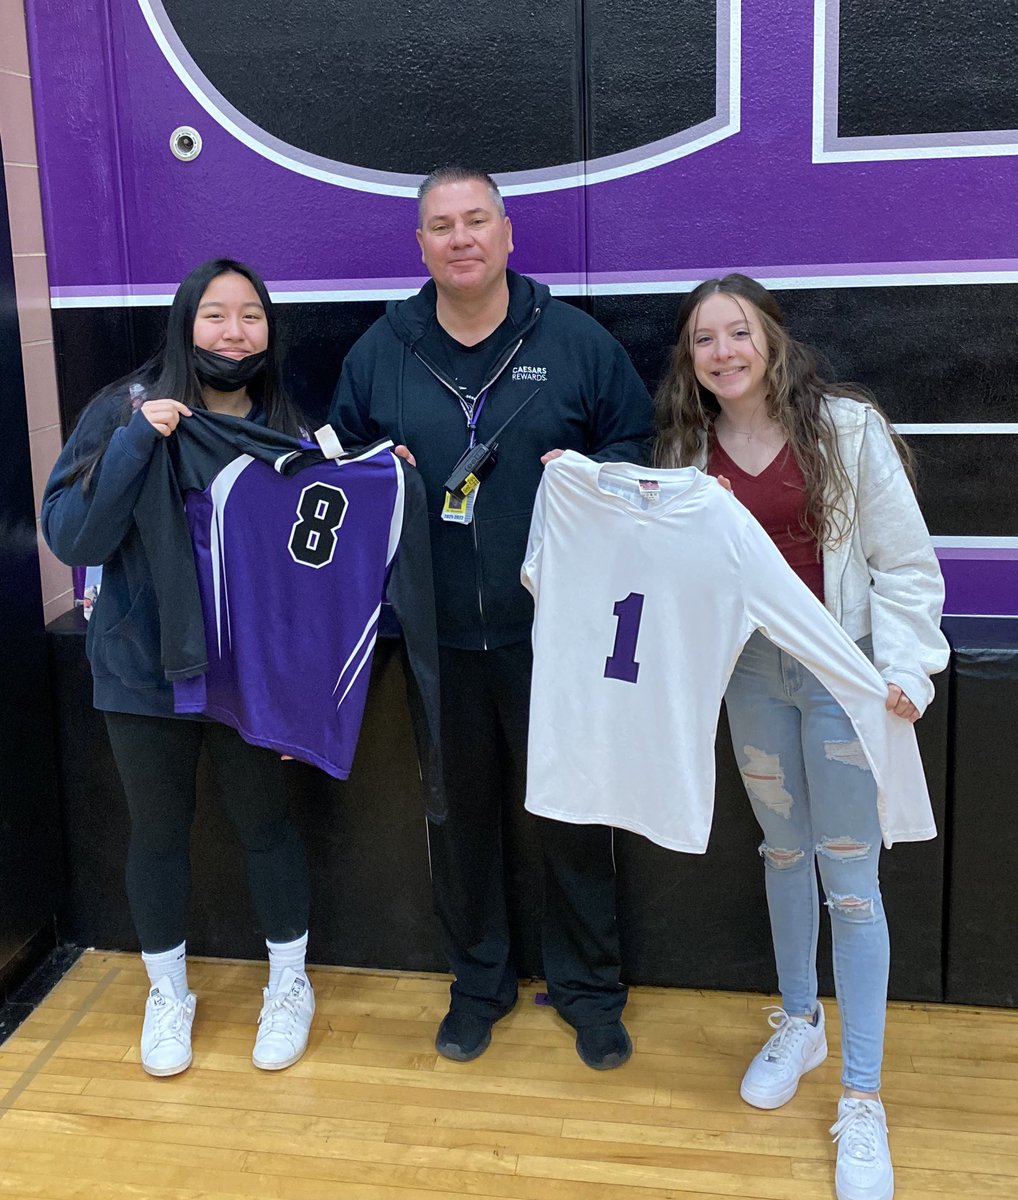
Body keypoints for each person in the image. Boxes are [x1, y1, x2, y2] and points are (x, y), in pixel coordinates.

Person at [329, 166, 653, 1068]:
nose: (461, 238)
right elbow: (335, 464)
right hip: (434, 639)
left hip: (555, 631)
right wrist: (367, 465)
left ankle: (589, 990)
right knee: (458, 820)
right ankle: (479, 986)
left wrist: (588, 472)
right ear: (421, 245)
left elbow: (636, 445)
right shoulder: (378, 353)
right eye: (442, 225)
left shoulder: (577, 342)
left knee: (574, 816)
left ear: (508, 235)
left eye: (477, 221)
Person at [654, 274, 948, 1200]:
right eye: (704, 340)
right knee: (783, 855)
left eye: (738, 332)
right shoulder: (686, 451)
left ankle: (862, 1098)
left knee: (850, 883)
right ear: (690, 360)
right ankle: (798, 1022)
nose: (723, 352)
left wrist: (906, 668)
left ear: (772, 340)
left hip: (843, 675)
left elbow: (904, 564)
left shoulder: (845, 430)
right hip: (752, 677)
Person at [42, 259, 317, 1077]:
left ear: (270, 331)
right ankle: (169, 994)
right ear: (183, 323)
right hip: (141, 670)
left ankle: (289, 983)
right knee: (157, 835)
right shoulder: (120, 411)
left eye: (250, 317)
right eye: (215, 316)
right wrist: (135, 444)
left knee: (267, 827)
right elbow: (74, 540)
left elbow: (313, 576)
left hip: (249, 677)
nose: (234, 332)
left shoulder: (287, 430)